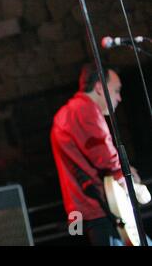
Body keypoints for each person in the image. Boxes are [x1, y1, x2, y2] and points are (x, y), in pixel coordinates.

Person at [50, 63, 149, 246]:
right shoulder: (84, 110)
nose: (119, 98)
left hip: (94, 211)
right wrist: (129, 176)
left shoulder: (69, 113)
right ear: (98, 87)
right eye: (116, 90)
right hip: (101, 210)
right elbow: (105, 157)